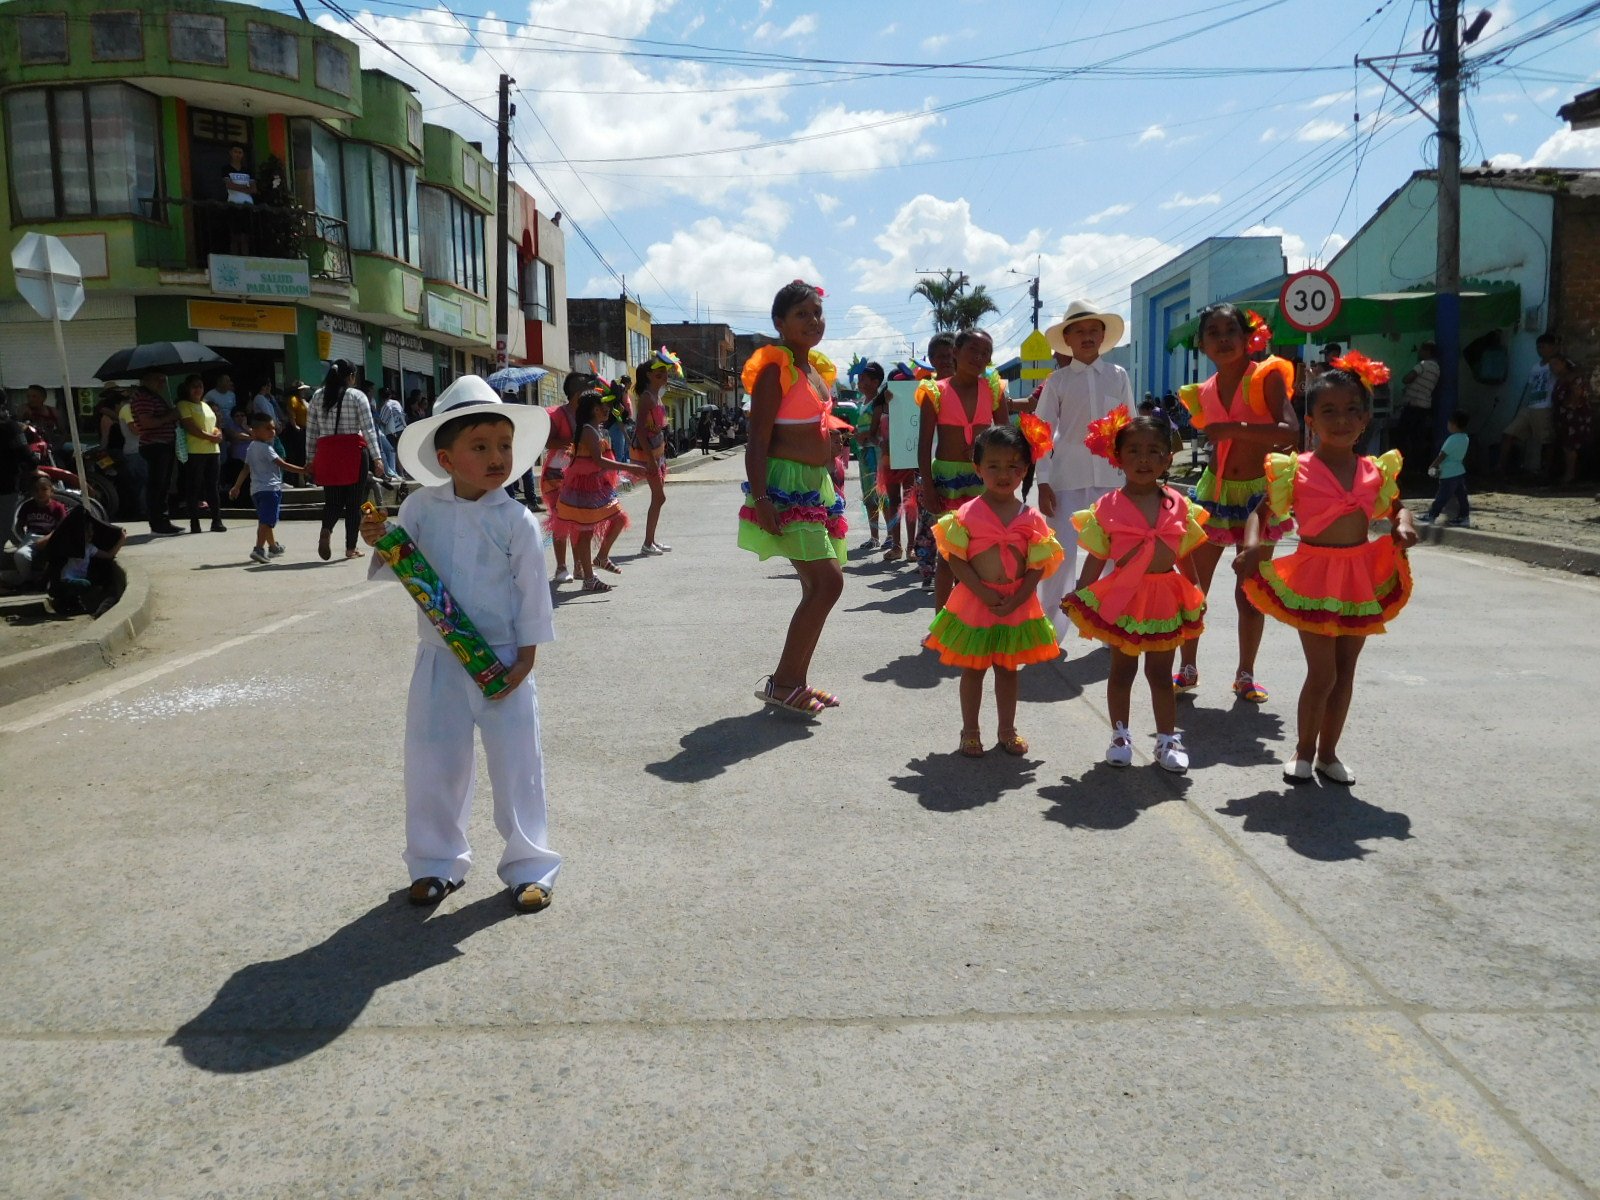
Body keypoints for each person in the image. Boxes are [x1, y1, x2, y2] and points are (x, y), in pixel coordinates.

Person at [357, 377, 562, 913]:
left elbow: (532, 593)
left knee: (518, 765)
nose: (498, 458)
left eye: (503, 445)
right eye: (480, 446)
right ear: (446, 458)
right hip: (438, 659)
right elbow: (399, 560)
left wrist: (526, 660)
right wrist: (377, 538)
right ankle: (435, 863)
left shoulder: (515, 519)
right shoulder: (422, 509)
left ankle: (529, 865)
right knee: (432, 761)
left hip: (503, 661)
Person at [1235, 352, 1416, 785]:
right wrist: (1254, 547)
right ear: (1311, 421)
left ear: (1365, 418)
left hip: (1360, 573)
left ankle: (1329, 754)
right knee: (1323, 671)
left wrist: (1404, 525)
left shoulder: (1374, 470)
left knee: (1346, 669)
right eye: (1329, 411)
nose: (1342, 420)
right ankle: (1303, 750)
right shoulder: (1295, 470)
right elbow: (1259, 513)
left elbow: (1397, 507)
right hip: (1315, 574)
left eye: (1352, 410)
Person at [1062, 410, 1208, 774]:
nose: (1144, 459)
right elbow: (1096, 559)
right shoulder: (1106, 508)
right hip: (1124, 598)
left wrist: (1195, 588)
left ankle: (1166, 738)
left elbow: (1185, 552)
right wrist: (1081, 595)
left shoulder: (1178, 504)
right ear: (1119, 458)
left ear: (1167, 459)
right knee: (1122, 670)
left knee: (1161, 674)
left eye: (1154, 451)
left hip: (1165, 597)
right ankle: (1120, 735)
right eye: (1135, 451)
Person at [1173, 303, 1298, 704]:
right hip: (1213, 492)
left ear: (1249, 338)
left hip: (1259, 498)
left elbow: (1291, 433)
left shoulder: (1266, 375)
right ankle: (1187, 666)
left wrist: (1235, 429)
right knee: (1194, 585)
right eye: (1214, 332)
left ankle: (1246, 673)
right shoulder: (1202, 391)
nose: (1223, 339)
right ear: (1202, 343)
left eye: (1232, 331)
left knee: (1250, 590)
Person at [741, 279, 853, 715]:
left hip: (814, 486)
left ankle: (794, 682)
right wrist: (762, 499)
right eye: (802, 314)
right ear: (779, 322)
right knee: (828, 582)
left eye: (817, 313)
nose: (813, 321)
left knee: (816, 584)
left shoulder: (813, 371)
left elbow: (810, 427)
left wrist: (831, 447)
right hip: (785, 489)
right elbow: (758, 440)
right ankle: (784, 681)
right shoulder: (776, 369)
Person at [924, 423, 1064, 757]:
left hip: (1017, 604)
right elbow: (955, 560)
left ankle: (1007, 729)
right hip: (976, 603)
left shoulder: (1031, 517)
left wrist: (1019, 596)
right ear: (978, 468)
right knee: (973, 669)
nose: (1004, 474)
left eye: (1014, 466)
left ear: (1025, 469)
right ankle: (970, 731)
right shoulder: (966, 514)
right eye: (994, 466)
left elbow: (1037, 564)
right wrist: (984, 593)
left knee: (1008, 669)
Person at [1033, 301, 1133, 645]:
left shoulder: (1118, 376)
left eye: (1094, 330)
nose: (1087, 337)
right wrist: (1042, 480)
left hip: (1111, 480)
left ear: (1103, 336)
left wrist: (1135, 478)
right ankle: (1050, 633)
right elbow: (1042, 432)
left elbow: (1130, 428)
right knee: (1061, 558)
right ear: (1067, 339)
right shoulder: (1057, 381)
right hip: (1066, 480)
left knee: (1112, 558)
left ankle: (1110, 630)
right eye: (1080, 331)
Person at [916, 329, 1009, 607]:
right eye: (973, 351)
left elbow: (1007, 438)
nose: (979, 358)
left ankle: (973, 618)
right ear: (955, 352)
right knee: (949, 554)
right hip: (948, 481)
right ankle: (942, 624)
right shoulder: (935, 391)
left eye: (986, 353)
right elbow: (923, 447)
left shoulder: (994, 390)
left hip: (985, 480)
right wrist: (928, 487)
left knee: (981, 553)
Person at [549, 388, 646, 592]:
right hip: (583, 490)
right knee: (586, 532)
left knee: (617, 519)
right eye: (604, 406)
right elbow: (598, 460)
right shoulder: (587, 430)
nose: (607, 409)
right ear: (594, 409)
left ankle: (601, 558)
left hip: (595, 488)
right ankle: (589, 577)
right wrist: (631, 467)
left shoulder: (594, 429)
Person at [306, 359, 386, 561]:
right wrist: (377, 458)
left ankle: (326, 530)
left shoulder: (317, 396)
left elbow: (312, 431)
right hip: (353, 453)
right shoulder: (357, 396)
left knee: (332, 501)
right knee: (354, 502)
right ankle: (351, 548)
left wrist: (310, 458)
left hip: (327, 453)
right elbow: (368, 429)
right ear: (351, 376)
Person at [910, 332, 959, 586]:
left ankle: (963, 584)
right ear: (931, 360)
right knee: (932, 527)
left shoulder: (975, 388)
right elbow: (924, 441)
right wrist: (925, 479)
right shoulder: (930, 391)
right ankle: (928, 572)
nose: (946, 360)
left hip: (966, 475)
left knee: (964, 533)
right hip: (934, 470)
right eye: (940, 356)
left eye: (951, 355)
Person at [228, 413, 305, 563]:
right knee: (266, 521)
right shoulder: (266, 448)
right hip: (270, 490)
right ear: (255, 431)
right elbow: (283, 465)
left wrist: (236, 486)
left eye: (273, 428)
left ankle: (273, 547)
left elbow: (245, 469)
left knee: (265, 519)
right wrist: (303, 471)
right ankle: (258, 549)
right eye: (268, 428)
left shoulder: (251, 447)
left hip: (256, 491)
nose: (273, 431)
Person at [541, 372, 591, 585]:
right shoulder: (558, 415)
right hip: (555, 475)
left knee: (579, 521)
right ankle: (561, 567)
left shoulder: (588, 415)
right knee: (560, 521)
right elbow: (548, 442)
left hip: (578, 475)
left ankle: (580, 565)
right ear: (578, 393)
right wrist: (573, 441)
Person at [631, 349, 678, 554]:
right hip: (648, 454)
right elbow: (640, 430)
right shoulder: (647, 398)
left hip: (657, 452)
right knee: (659, 497)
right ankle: (647, 543)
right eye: (659, 373)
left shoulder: (656, 396)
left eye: (666, 372)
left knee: (658, 498)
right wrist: (650, 460)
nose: (665, 376)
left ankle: (651, 541)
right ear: (649, 375)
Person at [128, 369, 182, 535]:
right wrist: (170, 416)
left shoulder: (154, 396)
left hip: (164, 443)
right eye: (158, 379)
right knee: (157, 485)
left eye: (163, 379)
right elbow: (146, 422)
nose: (162, 383)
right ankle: (158, 522)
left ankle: (163, 519)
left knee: (164, 484)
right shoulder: (143, 397)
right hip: (155, 445)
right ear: (147, 380)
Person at [872, 366, 917, 562]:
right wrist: (880, 442)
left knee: (910, 502)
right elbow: (873, 434)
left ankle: (911, 547)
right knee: (893, 501)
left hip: (908, 458)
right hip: (889, 459)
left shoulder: (915, 405)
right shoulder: (881, 407)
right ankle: (896, 545)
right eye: (899, 385)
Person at [1498, 333, 1558, 479]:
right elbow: (1530, 387)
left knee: (1547, 441)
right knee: (1508, 434)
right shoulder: (1535, 367)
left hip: (1545, 407)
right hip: (1531, 407)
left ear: (1552, 347)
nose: (1540, 350)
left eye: (1543, 347)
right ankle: (1500, 469)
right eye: (1538, 347)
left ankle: (1546, 473)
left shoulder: (1557, 364)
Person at [175, 373, 226, 534]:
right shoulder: (183, 405)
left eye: (200, 386)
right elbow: (190, 427)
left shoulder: (206, 405)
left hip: (213, 451)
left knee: (213, 486)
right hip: (195, 451)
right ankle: (194, 522)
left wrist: (217, 434)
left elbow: (214, 424)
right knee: (194, 487)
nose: (198, 389)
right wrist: (210, 437)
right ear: (188, 389)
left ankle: (216, 520)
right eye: (194, 386)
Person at [5, 472, 68, 585]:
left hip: (51, 537)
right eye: (36, 490)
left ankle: (49, 580)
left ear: (51, 491)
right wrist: (22, 538)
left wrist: (47, 539)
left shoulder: (58, 507)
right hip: (31, 536)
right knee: (20, 555)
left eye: (44, 489)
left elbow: (63, 528)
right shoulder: (27, 506)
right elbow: (19, 525)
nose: (40, 493)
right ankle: (28, 579)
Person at [852, 363, 888, 548]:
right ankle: (874, 537)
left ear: (876, 382)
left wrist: (866, 435)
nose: (860, 383)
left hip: (879, 454)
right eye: (859, 380)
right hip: (865, 456)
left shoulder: (880, 404)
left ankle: (891, 536)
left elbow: (885, 429)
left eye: (864, 380)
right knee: (869, 497)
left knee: (884, 496)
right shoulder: (861, 403)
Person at [1420, 411, 1471, 526]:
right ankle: (1464, 517)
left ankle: (1432, 515)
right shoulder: (1465, 438)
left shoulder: (1451, 439)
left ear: (1454, 424)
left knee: (1442, 497)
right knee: (1462, 497)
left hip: (1448, 474)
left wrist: (1432, 466)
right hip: (1459, 472)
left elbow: (1442, 455)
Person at [1395, 342, 1440, 470]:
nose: (1419, 353)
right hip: (1425, 406)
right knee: (1418, 438)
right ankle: (1417, 468)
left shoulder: (1423, 365)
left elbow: (1407, 379)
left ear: (1427, 352)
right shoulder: (1437, 368)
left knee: (1402, 435)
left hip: (1413, 405)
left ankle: (1405, 466)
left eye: (1421, 350)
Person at [1551, 355, 1592, 489]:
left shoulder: (1573, 377)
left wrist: (1570, 406)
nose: (1553, 367)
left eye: (1556, 364)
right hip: (1563, 416)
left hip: (1573, 416)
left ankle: (1570, 475)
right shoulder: (1560, 379)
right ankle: (1569, 474)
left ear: (1564, 364)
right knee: (1566, 445)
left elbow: (1577, 393)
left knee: (1570, 446)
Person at [375, 387, 407, 481]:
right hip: (401, 429)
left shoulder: (386, 406)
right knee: (400, 451)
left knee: (392, 450)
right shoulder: (396, 403)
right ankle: (401, 473)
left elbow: (384, 421)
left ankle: (394, 472)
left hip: (392, 432)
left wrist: (377, 419)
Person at [282, 381, 310, 468]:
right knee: (299, 453)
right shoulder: (293, 399)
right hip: (298, 431)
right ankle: (299, 476)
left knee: (305, 453)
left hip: (306, 430)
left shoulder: (304, 400)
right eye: (302, 390)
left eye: (304, 390)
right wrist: (295, 426)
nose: (304, 391)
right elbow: (291, 414)